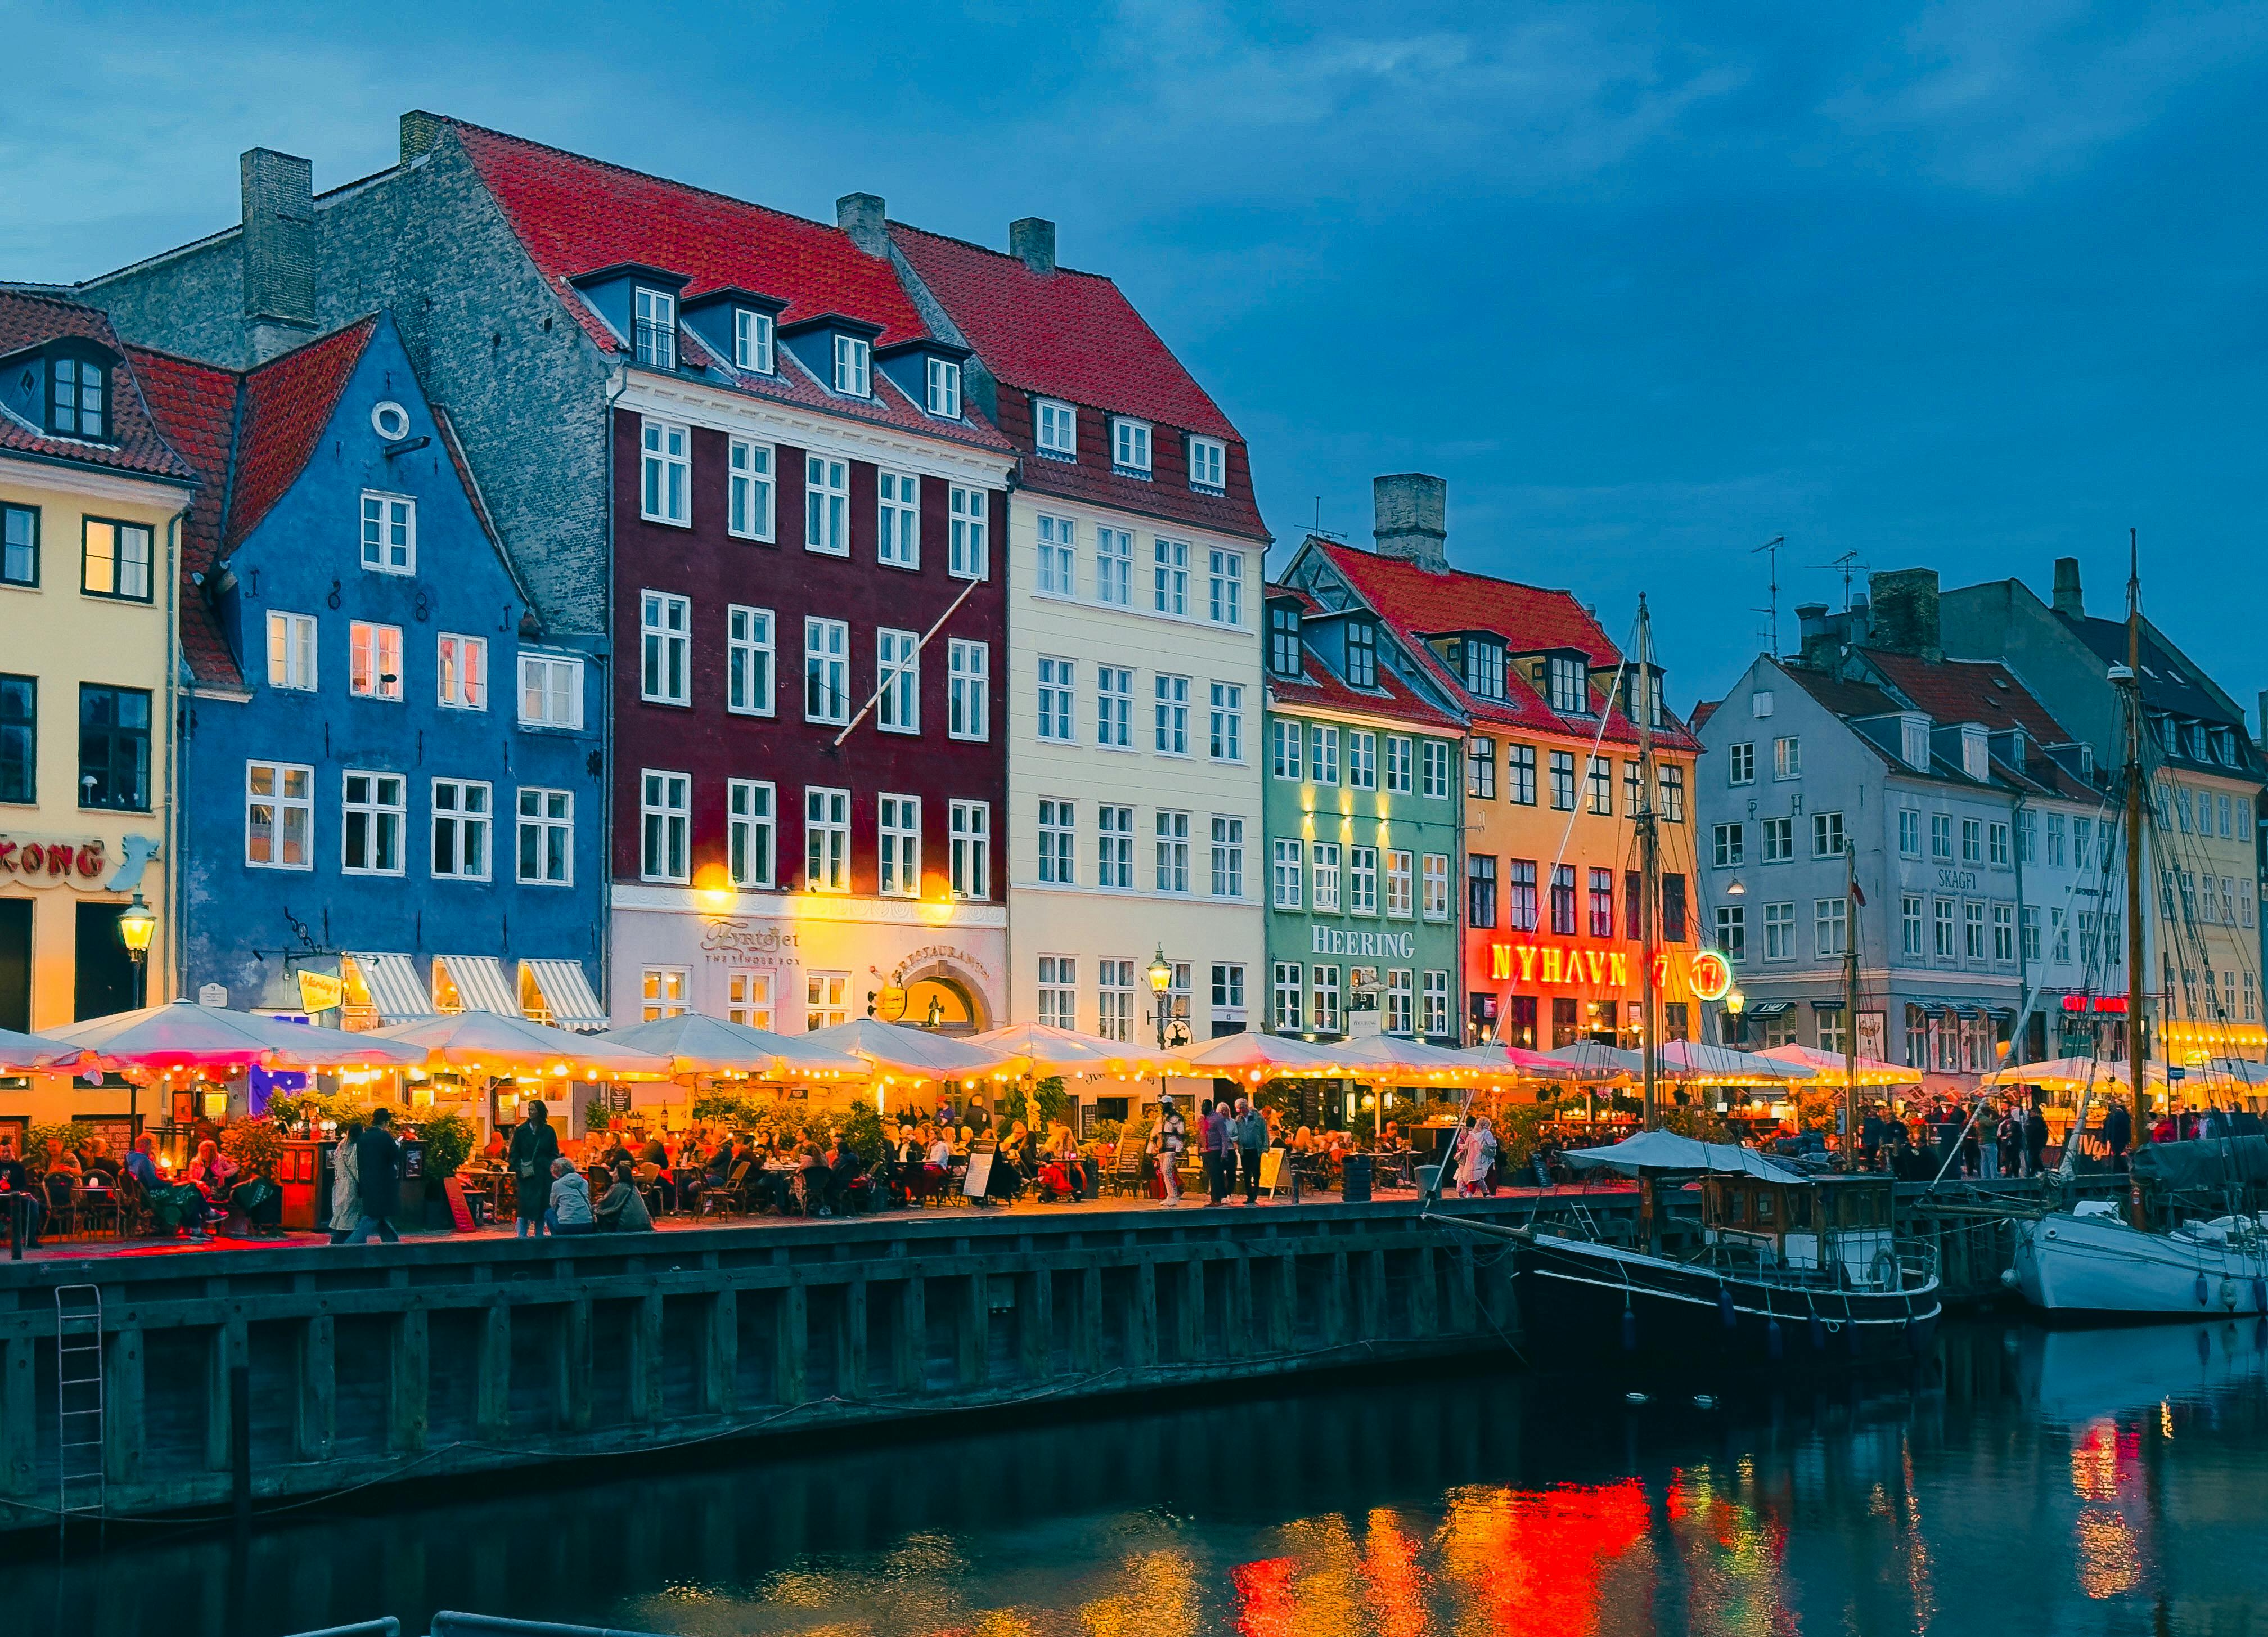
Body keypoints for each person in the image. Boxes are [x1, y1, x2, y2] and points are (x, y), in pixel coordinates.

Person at [350, 1109, 404, 1243]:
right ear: (385, 1122)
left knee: (379, 1215)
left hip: (367, 1181)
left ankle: (393, 1244)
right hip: (384, 1183)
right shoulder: (385, 1137)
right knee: (373, 1217)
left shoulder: (363, 1138)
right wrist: (399, 1145)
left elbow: (359, 1162)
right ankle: (348, 1247)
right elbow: (396, 1156)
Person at [510, 1101, 561, 1238]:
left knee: (542, 1206)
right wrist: (519, 1168)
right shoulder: (521, 1131)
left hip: (543, 1175)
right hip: (526, 1175)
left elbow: (554, 1152)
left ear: (540, 1112)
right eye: (529, 1109)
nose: (531, 1112)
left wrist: (548, 1166)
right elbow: (514, 1152)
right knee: (525, 1206)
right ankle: (522, 1236)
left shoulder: (549, 1131)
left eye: (533, 1110)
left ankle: (540, 1235)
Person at [0, 1137, 45, 1248]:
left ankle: (30, 1239)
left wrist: (19, 1192)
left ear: (12, 1152)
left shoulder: (18, 1167)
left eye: (8, 1152)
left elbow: (24, 1185)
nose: (6, 1154)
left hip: (16, 1197)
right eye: (3, 1152)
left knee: (33, 1204)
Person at [328, 1120, 365, 1244]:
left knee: (341, 1215)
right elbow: (356, 1169)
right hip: (351, 1187)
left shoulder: (341, 1146)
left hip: (340, 1185)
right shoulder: (355, 1148)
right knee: (350, 1218)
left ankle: (339, 1242)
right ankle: (338, 1243)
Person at [594, 1161, 654, 1233]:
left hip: (627, 1225)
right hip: (644, 1224)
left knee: (598, 1214)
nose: (613, 1175)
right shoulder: (633, 1188)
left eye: (615, 1173)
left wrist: (594, 1205)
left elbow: (606, 1203)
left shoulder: (619, 1187)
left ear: (619, 1175)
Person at [546, 1156, 595, 1235]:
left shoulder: (557, 1184)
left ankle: (557, 1240)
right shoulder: (585, 1182)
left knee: (549, 1212)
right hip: (587, 1223)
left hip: (567, 1226)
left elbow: (553, 1206)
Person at [1153, 1096, 1186, 1206]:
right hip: (1162, 1148)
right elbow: (1157, 1133)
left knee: (1167, 1171)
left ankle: (1173, 1195)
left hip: (1171, 1148)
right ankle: (1171, 1195)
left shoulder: (1175, 1117)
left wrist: (1179, 1148)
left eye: (1164, 1104)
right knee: (1165, 1172)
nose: (1162, 1107)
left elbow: (1181, 1134)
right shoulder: (1162, 1118)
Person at [1199, 1099, 1231, 1206]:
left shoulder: (1217, 1119)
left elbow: (1224, 1136)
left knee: (1216, 1176)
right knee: (1211, 1175)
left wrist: (1224, 1152)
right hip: (1206, 1151)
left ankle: (1216, 1199)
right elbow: (1201, 1135)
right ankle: (1218, 1196)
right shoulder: (1203, 1119)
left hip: (1215, 1150)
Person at [1235, 1098, 1268, 1203]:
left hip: (1255, 1149)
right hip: (1244, 1150)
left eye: (1240, 1109)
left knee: (1256, 1172)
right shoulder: (1239, 1120)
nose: (1239, 1111)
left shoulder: (1258, 1118)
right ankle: (1249, 1195)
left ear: (1245, 1107)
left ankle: (1255, 1193)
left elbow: (1264, 1132)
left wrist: (1265, 1147)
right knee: (1246, 1174)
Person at [2103, 1096, 2132, 1173]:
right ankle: (2119, 1168)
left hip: (2116, 1137)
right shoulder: (2124, 1115)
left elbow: (2108, 1127)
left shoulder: (2115, 1115)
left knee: (2117, 1152)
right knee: (2117, 1152)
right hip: (2122, 1137)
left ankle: (2120, 1168)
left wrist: (2105, 1138)